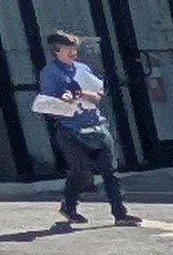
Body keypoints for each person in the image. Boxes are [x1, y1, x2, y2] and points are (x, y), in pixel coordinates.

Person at [34, 32, 134, 227]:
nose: (73, 52)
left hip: (96, 124)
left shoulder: (83, 68)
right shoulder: (50, 73)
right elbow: (49, 105)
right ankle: (69, 206)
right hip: (70, 130)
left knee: (109, 170)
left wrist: (82, 93)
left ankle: (120, 213)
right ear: (57, 50)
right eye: (69, 48)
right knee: (81, 172)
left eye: (75, 48)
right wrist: (63, 101)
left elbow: (98, 95)